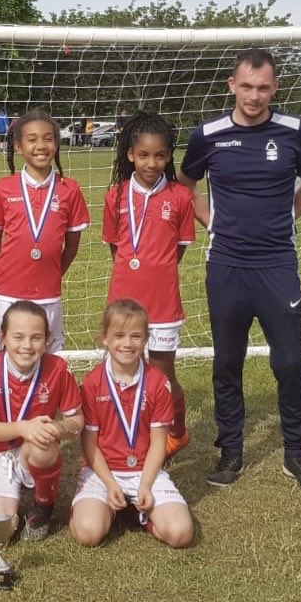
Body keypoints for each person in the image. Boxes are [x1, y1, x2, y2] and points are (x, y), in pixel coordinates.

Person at [178, 48, 301, 492]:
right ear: (232, 85)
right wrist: (211, 220)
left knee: (290, 361)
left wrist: (290, 215)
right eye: (247, 86)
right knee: (227, 361)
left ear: (274, 88)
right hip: (226, 264)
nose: (255, 96)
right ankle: (231, 452)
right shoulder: (207, 135)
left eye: (263, 88)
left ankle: (296, 453)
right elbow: (185, 184)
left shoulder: (292, 130)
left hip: (277, 263)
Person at [102, 112, 195, 457]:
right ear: (130, 155)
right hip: (124, 298)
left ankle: (178, 430)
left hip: (163, 301)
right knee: (121, 367)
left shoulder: (180, 198)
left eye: (159, 155)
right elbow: (116, 246)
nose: (151, 163)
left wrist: (155, 270)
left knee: (162, 371)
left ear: (169, 156)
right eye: (143, 155)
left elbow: (180, 248)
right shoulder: (115, 196)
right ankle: (125, 435)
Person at [69, 299, 193, 548]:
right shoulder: (92, 384)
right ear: (105, 338)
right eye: (119, 335)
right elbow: (90, 446)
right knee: (88, 534)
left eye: (136, 336)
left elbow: (159, 443)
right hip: (102, 472)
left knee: (180, 535)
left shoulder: (158, 383)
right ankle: (103, 508)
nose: (127, 343)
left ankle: (141, 515)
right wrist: (111, 483)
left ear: (146, 339)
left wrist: (145, 485)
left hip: (144, 472)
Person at [0, 300, 83, 542]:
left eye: (35, 338)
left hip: (33, 448)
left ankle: (43, 505)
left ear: (47, 338)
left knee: (44, 439)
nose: (26, 346)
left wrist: (59, 427)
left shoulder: (58, 369)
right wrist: (22, 426)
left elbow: (76, 421)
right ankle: (1, 497)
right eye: (18, 337)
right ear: (2, 337)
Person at [0, 109, 90, 353]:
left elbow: (71, 246)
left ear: (57, 143)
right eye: (32, 139)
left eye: (48, 138)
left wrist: (52, 272)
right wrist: (2, 271)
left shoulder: (70, 190)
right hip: (8, 290)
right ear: (19, 147)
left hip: (47, 292)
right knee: (7, 355)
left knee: (45, 356)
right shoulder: (3, 188)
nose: (41, 145)